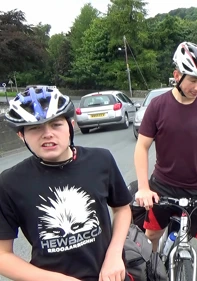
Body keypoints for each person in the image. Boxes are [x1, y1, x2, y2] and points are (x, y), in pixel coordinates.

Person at [0, 87, 133, 281]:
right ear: (22, 136)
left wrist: (114, 255)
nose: (47, 134)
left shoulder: (101, 160)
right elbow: (3, 255)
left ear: (71, 125)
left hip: (108, 275)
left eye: (56, 124)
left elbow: (122, 208)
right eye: (34, 127)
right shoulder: (9, 182)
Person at [133, 42, 197, 281]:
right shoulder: (158, 106)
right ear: (176, 75)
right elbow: (142, 146)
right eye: (193, 80)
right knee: (152, 234)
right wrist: (143, 188)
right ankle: (151, 274)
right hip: (163, 185)